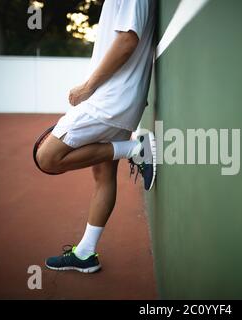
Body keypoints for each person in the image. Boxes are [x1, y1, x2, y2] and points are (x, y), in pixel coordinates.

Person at [36, 0, 156, 273]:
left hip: (107, 102)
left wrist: (87, 87)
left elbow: (128, 40)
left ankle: (135, 150)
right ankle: (86, 253)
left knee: (47, 158)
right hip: (121, 101)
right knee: (103, 177)